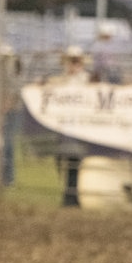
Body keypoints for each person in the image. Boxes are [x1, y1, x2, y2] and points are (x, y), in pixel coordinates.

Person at [45, 45, 92, 207]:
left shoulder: (87, 80)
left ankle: (70, 196)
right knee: (63, 160)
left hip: (80, 127)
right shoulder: (60, 81)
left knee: (74, 161)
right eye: (70, 61)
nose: (72, 65)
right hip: (63, 127)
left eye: (75, 61)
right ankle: (71, 195)